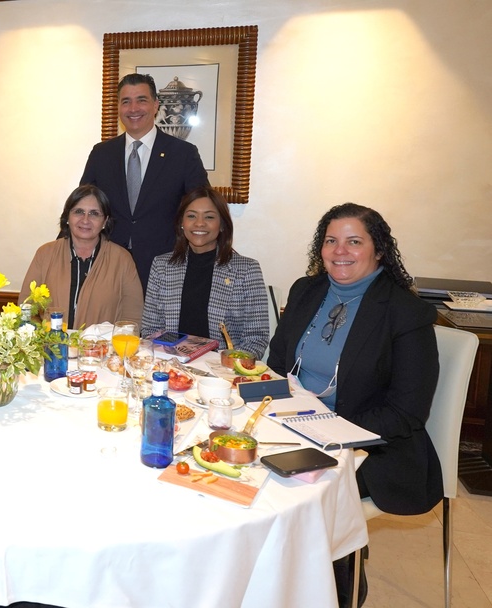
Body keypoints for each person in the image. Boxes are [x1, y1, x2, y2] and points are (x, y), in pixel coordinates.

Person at [267, 203, 442, 607]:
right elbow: (277, 364)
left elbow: (407, 412)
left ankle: (335, 590)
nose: (339, 251)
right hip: (295, 422)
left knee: (292, 487)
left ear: (378, 250)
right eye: (331, 241)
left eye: (354, 241)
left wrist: (329, 428)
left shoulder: (405, 312)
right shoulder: (306, 290)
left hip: (374, 442)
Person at [79, 73, 209, 288]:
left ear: (156, 105)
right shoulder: (101, 153)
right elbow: (81, 205)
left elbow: (203, 208)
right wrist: (61, 253)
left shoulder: (183, 154)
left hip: (166, 267)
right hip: (108, 266)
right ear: (118, 107)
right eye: (126, 101)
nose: (133, 109)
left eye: (142, 100)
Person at [141, 186, 269, 356]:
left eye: (209, 217)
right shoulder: (161, 266)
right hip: (171, 365)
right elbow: (151, 329)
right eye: (191, 216)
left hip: (224, 371)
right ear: (181, 223)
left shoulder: (246, 270)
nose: (199, 223)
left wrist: (230, 366)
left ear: (222, 224)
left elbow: (256, 338)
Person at [19, 185, 143, 328]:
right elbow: (26, 308)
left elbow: (132, 317)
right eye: (79, 212)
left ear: (105, 221)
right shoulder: (45, 254)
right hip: (51, 348)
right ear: (67, 217)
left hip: (103, 348)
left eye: (94, 213)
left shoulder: (122, 259)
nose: (85, 220)